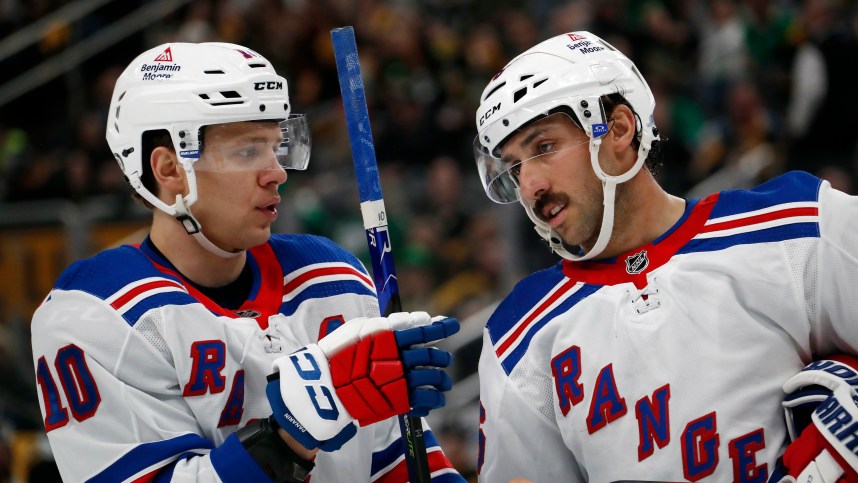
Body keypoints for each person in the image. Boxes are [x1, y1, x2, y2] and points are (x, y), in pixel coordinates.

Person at [30, 42, 465, 483]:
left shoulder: (334, 279)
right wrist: (289, 436)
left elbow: (399, 464)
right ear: (168, 169)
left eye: (276, 146)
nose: (276, 171)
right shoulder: (96, 314)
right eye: (246, 151)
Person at [472, 31, 858, 482]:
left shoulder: (794, 223)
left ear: (618, 129)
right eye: (515, 166)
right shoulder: (516, 336)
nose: (530, 186)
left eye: (543, 148)